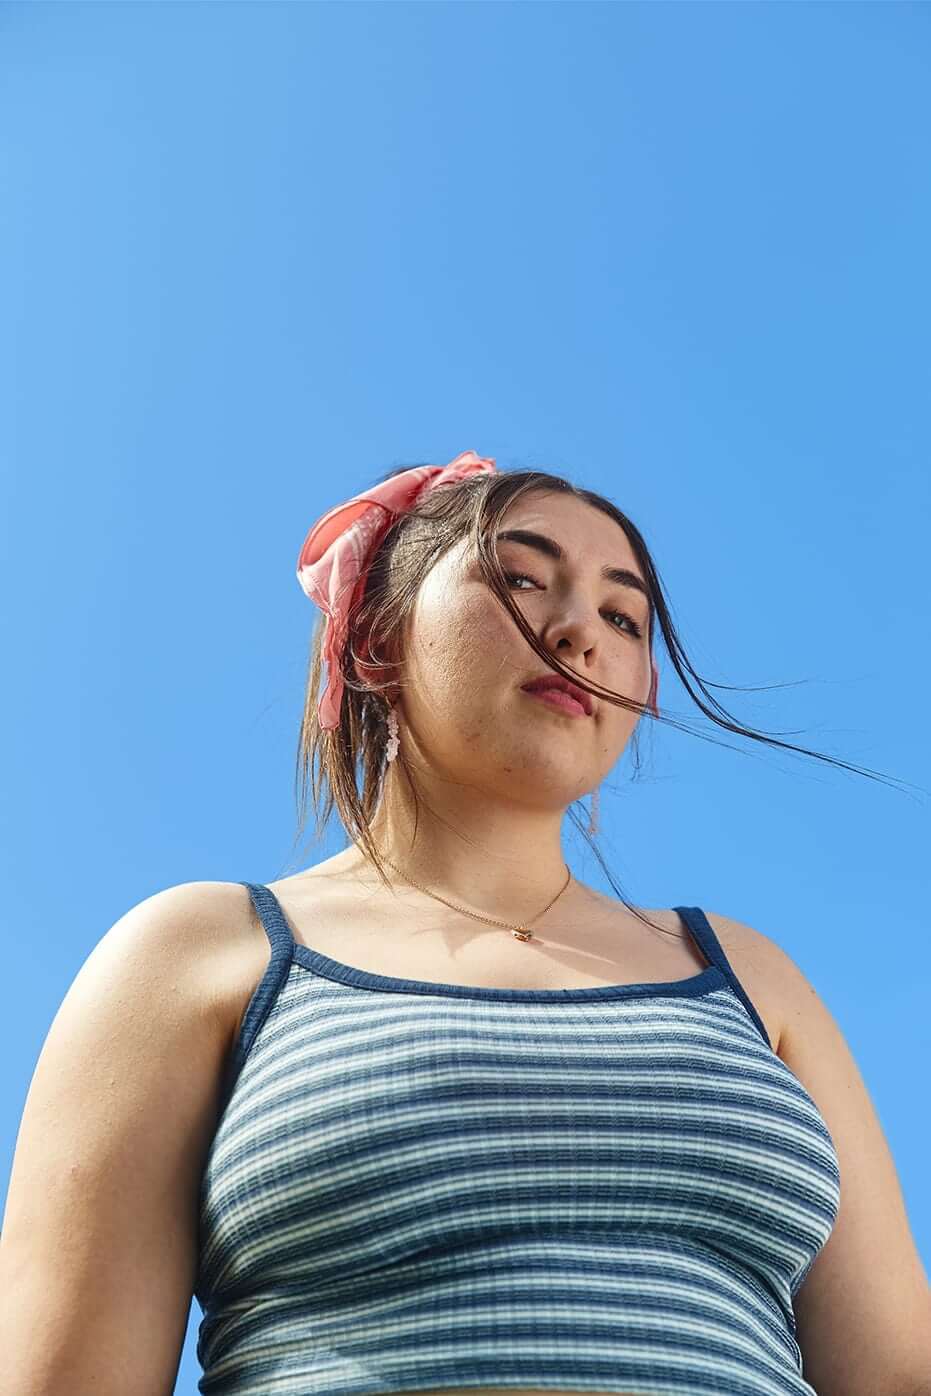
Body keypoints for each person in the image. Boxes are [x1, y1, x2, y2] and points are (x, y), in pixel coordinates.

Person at [3, 451, 927, 1396]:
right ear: (375, 637)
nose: (580, 632)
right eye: (522, 580)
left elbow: (894, 1374)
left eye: (624, 617)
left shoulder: (745, 972)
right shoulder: (204, 949)